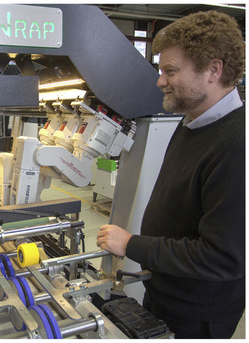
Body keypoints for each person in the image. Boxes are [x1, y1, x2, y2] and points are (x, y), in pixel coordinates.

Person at [96, 11, 245, 339]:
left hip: (198, 314)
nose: (160, 80)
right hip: (164, 291)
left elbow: (223, 258)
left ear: (213, 70)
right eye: (160, 69)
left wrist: (133, 245)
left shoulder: (237, 147)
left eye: (171, 71)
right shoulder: (190, 121)